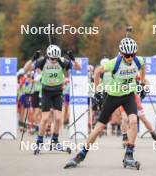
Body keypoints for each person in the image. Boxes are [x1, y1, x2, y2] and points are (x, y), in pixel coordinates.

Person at [64, 37, 146, 169]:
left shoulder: (138, 60)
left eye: (132, 54)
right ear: (121, 53)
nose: (130, 58)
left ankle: (129, 155)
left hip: (129, 95)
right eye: (127, 55)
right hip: (113, 96)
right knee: (99, 127)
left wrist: (141, 84)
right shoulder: (114, 62)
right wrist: (97, 92)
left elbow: (143, 67)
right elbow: (97, 72)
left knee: (133, 122)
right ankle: (81, 154)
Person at [23, 45, 81, 153]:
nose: (54, 61)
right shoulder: (43, 61)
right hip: (46, 92)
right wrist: (33, 58)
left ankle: (55, 141)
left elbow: (79, 68)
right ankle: (39, 142)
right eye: (52, 58)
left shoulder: (62, 61)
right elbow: (25, 68)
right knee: (45, 118)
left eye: (56, 58)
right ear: (48, 56)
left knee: (59, 118)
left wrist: (73, 59)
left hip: (58, 92)